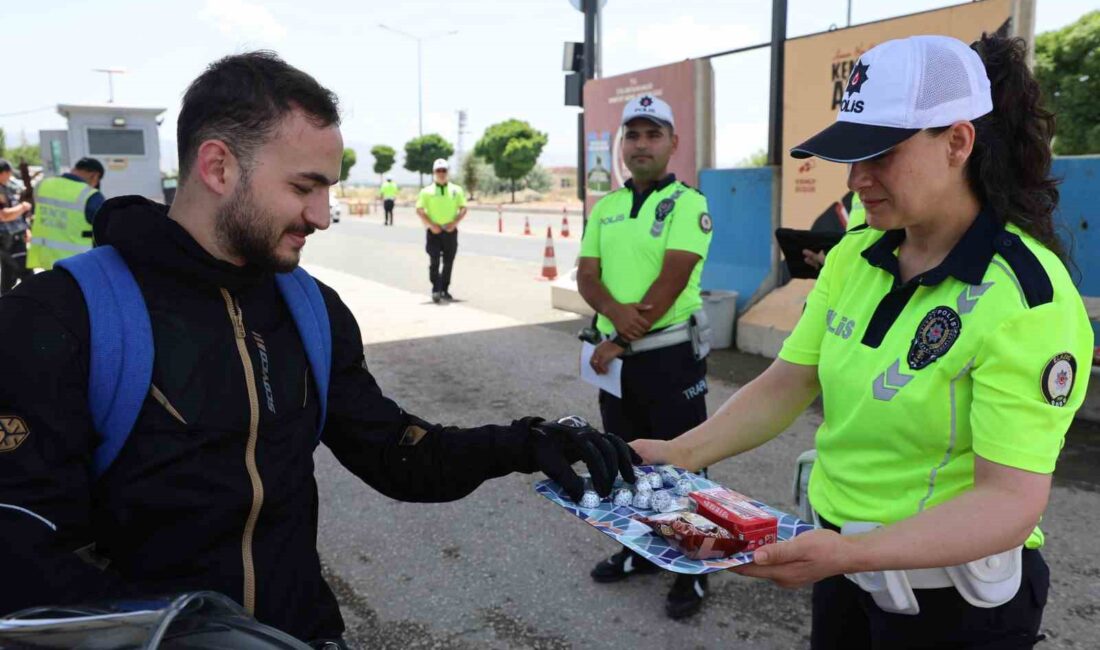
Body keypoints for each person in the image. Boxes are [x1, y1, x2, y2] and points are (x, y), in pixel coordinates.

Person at [0, 52, 637, 648]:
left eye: (329, 189)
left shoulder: (310, 308)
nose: (324, 215)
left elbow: (397, 455)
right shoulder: (61, 317)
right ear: (218, 167)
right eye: (305, 187)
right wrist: (184, 636)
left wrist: (526, 443)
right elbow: (19, 546)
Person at [633, 34, 1092, 648]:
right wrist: (680, 453)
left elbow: (1009, 502)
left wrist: (856, 553)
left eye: (879, 154)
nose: (857, 178)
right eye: (851, 154)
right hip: (845, 568)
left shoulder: (1028, 297)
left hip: (952, 604)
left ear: (958, 141)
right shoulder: (857, 251)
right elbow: (791, 378)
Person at [577, 94, 714, 619]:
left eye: (652, 134)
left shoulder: (688, 203)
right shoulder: (607, 207)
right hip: (616, 358)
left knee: (684, 461)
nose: (641, 144)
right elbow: (587, 275)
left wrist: (621, 337)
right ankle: (643, 551)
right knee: (627, 456)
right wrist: (612, 322)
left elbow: (672, 277)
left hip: (670, 356)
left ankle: (694, 565)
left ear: (673, 143)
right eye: (632, 135)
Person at [25, 157, 106, 271]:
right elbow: (103, 230)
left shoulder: (43, 185)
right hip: (77, 263)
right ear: (95, 176)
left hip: (45, 259)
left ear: (74, 169)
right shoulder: (91, 195)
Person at [416, 158, 466, 303]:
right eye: (438, 170)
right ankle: (436, 288)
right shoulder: (426, 191)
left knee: (449, 262)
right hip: (434, 232)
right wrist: (431, 225)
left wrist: (454, 222)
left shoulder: (456, 190)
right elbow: (419, 209)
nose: (441, 173)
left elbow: (463, 208)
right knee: (435, 261)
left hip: (450, 231)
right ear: (434, 172)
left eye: (444, 170)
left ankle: (444, 289)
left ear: (448, 172)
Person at [0, 160, 34, 294]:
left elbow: (15, 218)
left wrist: (26, 229)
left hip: (15, 238)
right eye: (8, 172)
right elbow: (3, 215)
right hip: (8, 240)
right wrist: (23, 207)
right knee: (27, 274)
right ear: (3, 172)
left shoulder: (6, 188)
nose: (9, 175)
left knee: (9, 275)